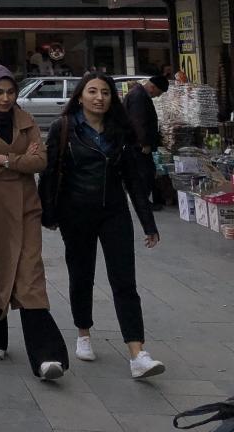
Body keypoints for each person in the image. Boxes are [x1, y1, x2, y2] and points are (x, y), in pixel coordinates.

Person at [39, 73, 165, 379]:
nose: (99, 98)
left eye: (105, 92)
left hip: (114, 212)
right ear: (80, 96)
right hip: (76, 212)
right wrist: (49, 215)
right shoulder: (64, 127)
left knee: (124, 281)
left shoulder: (120, 129)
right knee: (81, 275)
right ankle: (83, 332)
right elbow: (50, 173)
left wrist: (148, 222)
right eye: (93, 92)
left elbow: (133, 179)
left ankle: (137, 353)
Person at [0, 63, 68, 380]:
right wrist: (20, 164)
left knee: (30, 276)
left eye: (10, 92)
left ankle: (47, 355)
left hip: (25, 208)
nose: (5, 98)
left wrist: (5, 160)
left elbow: (41, 161)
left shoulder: (26, 119)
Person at [124, 75, 168, 209]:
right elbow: (138, 121)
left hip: (136, 142)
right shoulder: (138, 96)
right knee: (145, 173)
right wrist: (144, 143)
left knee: (146, 172)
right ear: (152, 87)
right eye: (159, 93)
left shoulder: (139, 94)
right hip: (138, 144)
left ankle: (143, 201)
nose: (158, 96)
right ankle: (142, 203)